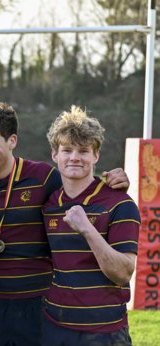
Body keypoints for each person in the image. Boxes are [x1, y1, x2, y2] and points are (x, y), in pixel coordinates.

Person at [0, 82, 130, 346]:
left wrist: (112, 179)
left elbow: (78, 183)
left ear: (13, 142)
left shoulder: (42, 177)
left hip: (38, 304)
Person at [41, 106, 138, 345]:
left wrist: (87, 229)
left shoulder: (120, 203)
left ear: (96, 156)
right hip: (54, 328)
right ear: (55, 154)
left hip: (105, 331)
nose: (74, 157)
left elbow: (123, 272)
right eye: (67, 150)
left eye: (83, 151)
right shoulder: (48, 203)